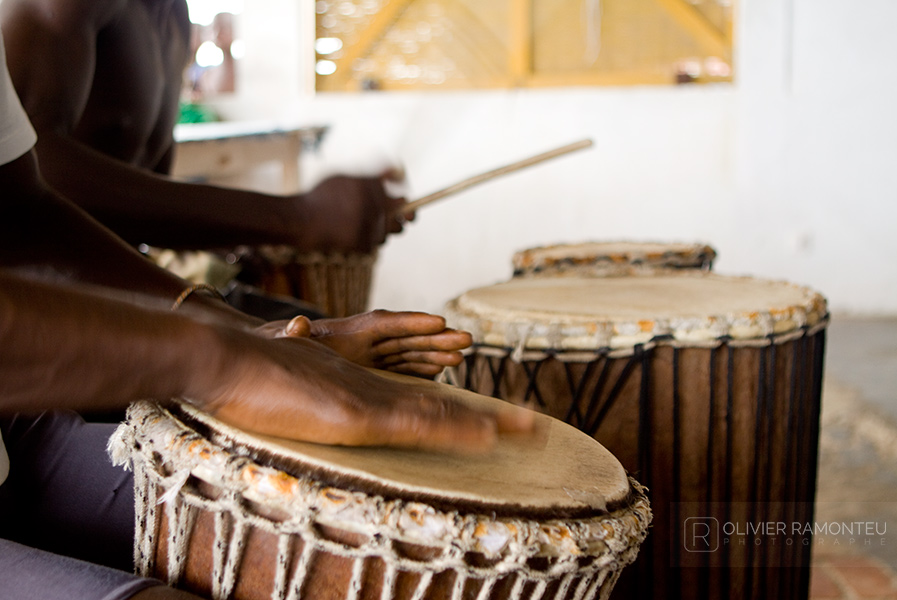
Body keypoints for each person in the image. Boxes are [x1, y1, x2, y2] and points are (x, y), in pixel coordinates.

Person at [0, 30, 533, 599]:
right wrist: (227, 360)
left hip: (18, 438)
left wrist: (247, 334)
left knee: (362, 526)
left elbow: (19, 210)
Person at [0, 0, 411, 303]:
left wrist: (226, 233)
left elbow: (146, 189)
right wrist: (296, 216)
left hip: (125, 289)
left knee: (372, 357)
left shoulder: (175, 13)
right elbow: (34, 172)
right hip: (46, 316)